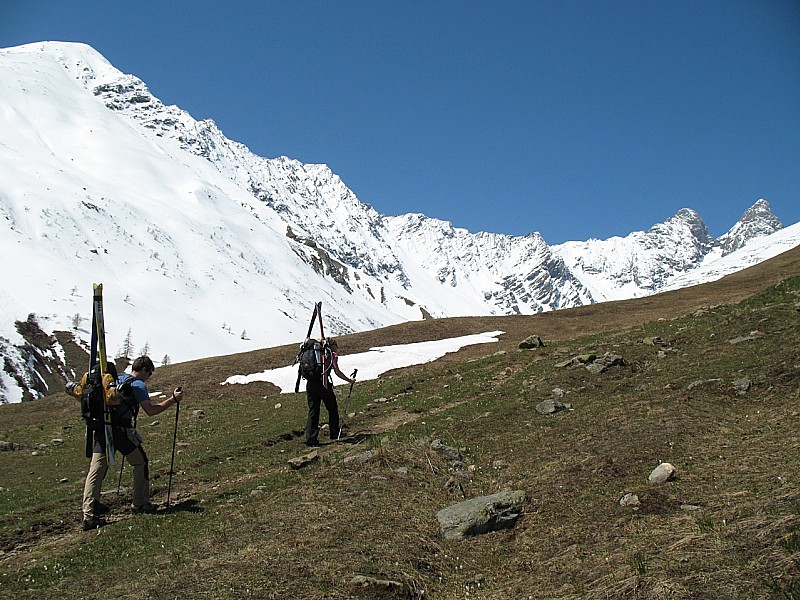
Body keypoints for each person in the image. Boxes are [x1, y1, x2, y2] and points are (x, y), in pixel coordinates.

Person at [81, 355, 184, 530]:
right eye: (149, 373)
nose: (149, 377)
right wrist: (172, 400)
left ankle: (89, 514)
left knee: (96, 470)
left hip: (101, 428)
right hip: (121, 432)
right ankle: (140, 503)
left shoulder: (115, 379)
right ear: (144, 370)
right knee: (140, 462)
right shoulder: (137, 385)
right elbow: (151, 410)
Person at [305, 338, 355, 446]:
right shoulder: (331, 354)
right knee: (332, 407)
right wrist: (349, 380)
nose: (337, 348)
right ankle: (334, 432)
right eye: (336, 345)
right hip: (323, 383)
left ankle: (310, 438)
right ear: (332, 345)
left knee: (313, 410)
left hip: (310, 383)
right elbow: (337, 371)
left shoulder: (314, 353)